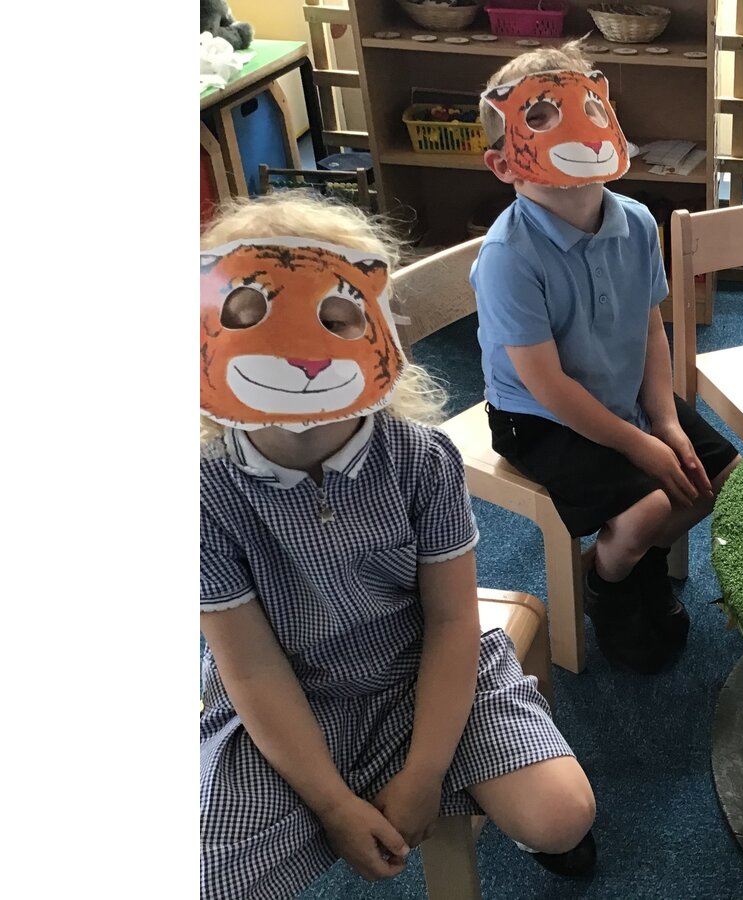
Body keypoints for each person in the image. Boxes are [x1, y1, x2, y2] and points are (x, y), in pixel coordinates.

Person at [198, 194, 597, 899]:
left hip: (424, 666)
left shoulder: (420, 460)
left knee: (561, 815)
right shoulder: (202, 492)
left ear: (376, 327)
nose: (298, 351)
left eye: (335, 318)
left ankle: (487, 790)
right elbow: (252, 668)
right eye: (252, 316)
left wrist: (424, 773)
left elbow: (451, 621)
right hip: (292, 694)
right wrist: (330, 803)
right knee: (209, 875)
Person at [472, 42, 741, 674]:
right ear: (504, 163)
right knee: (649, 504)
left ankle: (632, 561)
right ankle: (610, 587)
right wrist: (638, 444)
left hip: (622, 393)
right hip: (536, 417)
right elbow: (545, 384)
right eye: (541, 118)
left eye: (588, 109)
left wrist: (665, 421)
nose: (572, 131)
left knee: (718, 478)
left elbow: (650, 329)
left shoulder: (638, 222)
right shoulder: (510, 254)